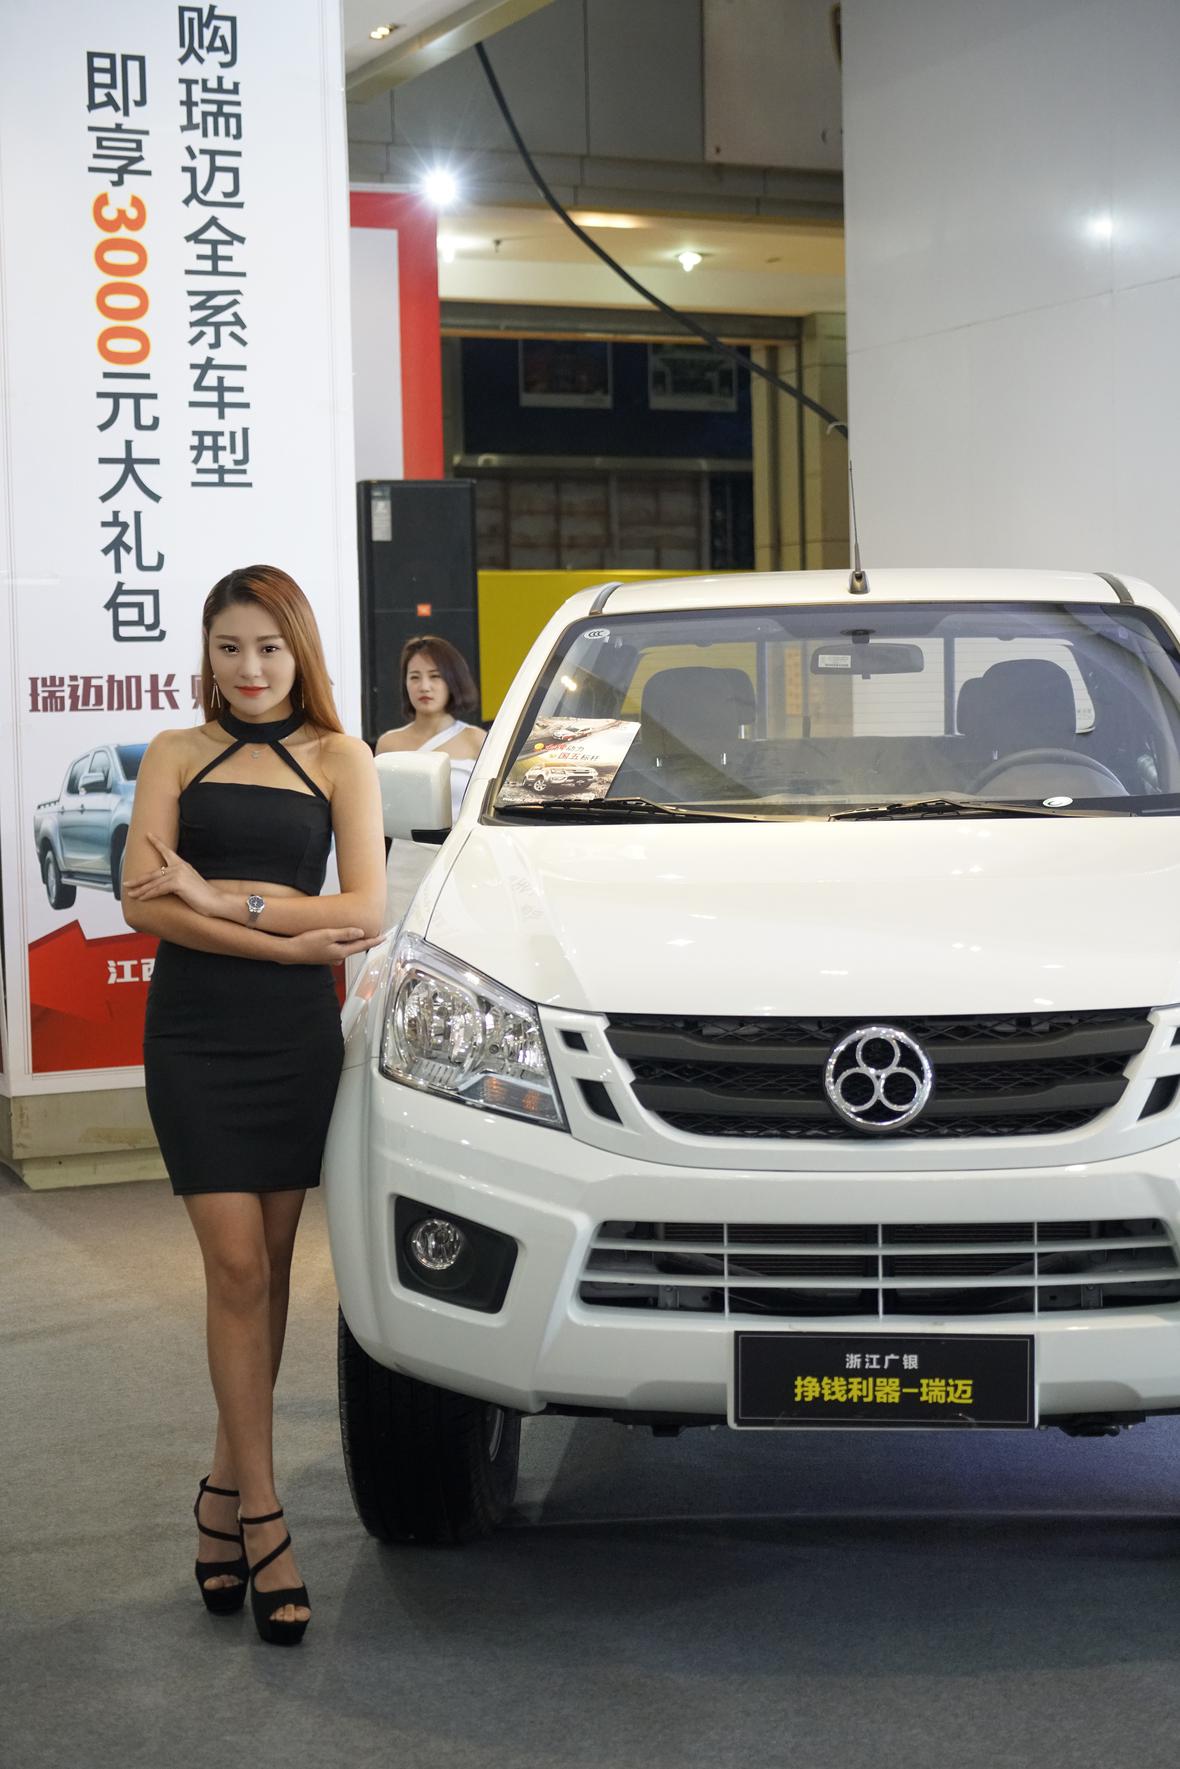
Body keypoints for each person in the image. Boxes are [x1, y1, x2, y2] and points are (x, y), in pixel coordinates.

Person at [121, 564, 384, 1647]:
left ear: (299, 650)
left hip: (291, 1041)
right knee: (235, 1269)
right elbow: (143, 904)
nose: (249, 667)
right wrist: (279, 936)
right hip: (196, 1033)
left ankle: (223, 1490)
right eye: (228, 646)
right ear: (207, 652)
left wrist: (217, 893)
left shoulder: (341, 757)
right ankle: (266, 1517)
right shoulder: (174, 752)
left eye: (268, 646)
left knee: (269, 1272)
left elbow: (365, 906)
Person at [375, 634, 485, 821]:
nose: (424, 687)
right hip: (400, 840)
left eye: (435, 676)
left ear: (453, 680)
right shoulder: (388, 744)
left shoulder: (477, 740)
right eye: (414, 677)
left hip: (459, 839)